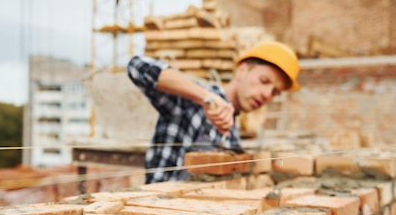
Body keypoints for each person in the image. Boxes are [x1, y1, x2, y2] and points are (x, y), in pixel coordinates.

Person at [127, 41, 300, 183]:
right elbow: (137, 66)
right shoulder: (190, 101)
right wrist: (205, 98)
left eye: (275, 92)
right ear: (242, 70)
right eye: (264, 81)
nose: (267, 95)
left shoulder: (233, 133)